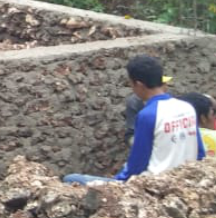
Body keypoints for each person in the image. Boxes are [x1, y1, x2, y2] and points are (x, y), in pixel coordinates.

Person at [66, 55, 203, 185]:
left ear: (139, 84)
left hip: (153, 184)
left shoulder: (148, 115)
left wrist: (117, 183)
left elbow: (137, 164)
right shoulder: (187, 108)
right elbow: (200, 152)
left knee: (71, 179)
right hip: (183, 180)